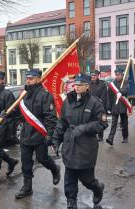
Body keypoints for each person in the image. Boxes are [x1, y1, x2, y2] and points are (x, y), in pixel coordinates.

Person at [52, 73, 108, 209]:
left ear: (87, 86)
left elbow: (102, 124)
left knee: (87, 180)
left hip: (86, 147)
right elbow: (62, 122)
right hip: (70, 144)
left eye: (80, 85)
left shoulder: (95, 103)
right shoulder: (68, 101)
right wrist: (56, 139)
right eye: (75, 84)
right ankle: (71, 201)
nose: (76, 87)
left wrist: (84, 128)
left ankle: (97, 188)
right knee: (69, 177)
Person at [15, 69, 61, 199]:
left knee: (42, 159)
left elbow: (50, 117)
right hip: (25, 133)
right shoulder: (24, 94)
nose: (28, 80)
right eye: (27, 78)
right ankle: (27, 188)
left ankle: (55, 169)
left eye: (31, 78)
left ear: (38, 79)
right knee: (25, 162)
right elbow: (19, 113)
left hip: (39, 133)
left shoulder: (45, 95)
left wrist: (50, 135)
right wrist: (7, 114)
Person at [90, 70, 108, 141]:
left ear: (98, 76)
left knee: (100, 120)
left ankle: (100, 136)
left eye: (95, 75)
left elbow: (104, 96)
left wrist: (101, 104)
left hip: (99, 105)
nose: (93, 77)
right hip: (91, 105)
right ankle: (93, 134)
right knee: (92, 120)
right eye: (92, 75)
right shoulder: (89, 84)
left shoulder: (102, 84)